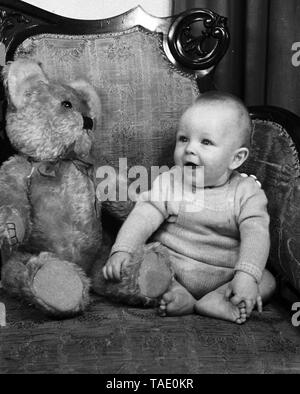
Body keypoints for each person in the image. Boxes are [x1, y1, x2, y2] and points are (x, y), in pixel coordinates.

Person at [103, 91, 276, 324]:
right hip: (173, 268)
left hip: (226, 274)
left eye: (205, 142)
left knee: (265, 279)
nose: (190, 149)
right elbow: (143, 215)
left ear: (236, 158)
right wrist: (123, 249)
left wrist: (246, 276)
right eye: (184, 138)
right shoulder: (170, 181)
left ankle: (217, 300)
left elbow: (257, 233)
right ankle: (178, 295)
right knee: (145, 264)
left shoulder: (246, 192)